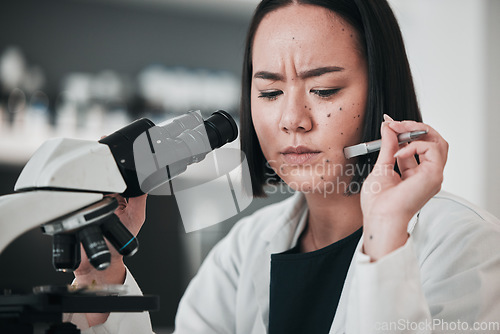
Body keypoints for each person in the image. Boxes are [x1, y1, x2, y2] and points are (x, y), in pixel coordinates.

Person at [69, 0, 500, 333]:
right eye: (270, 93)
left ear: (381, 92)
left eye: (325, 89)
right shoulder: (242, 253)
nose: (292, 119)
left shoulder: (464, 246)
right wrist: (102, 283)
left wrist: (386, 234)